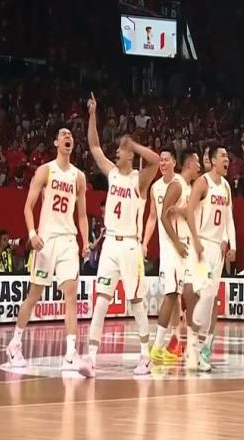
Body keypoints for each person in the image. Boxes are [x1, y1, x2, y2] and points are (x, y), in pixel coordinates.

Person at [79, 93, 159, 378]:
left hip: (131, 246)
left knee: (136, 302)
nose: (117, 151)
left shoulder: (139, 180)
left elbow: (155, 161)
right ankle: (90, 358)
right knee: (101, 300)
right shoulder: (112, 173)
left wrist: (133, 143)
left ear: (130, 155)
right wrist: (92, 114)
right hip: (110, 244)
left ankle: (146, 356)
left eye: (121, 149)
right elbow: (94, 145)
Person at [5, 126, 90, 370]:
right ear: (56, 143)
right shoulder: (46, 170)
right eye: (63, 134)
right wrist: (32, 234)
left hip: (68, 240)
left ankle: (71, 354)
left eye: (70, 135)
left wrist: (85, 241)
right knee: (34, 295)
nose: (68, 137)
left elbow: (82, 215)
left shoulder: (79, 177)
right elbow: (28, 206)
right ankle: (14, 343)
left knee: (71, 294)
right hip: (46, 240)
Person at [185, 144, 236, 371]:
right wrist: (195, 239)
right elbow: (189, 210)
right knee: (201, 293)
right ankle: (194, 345)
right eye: (223, 156)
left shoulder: (226, 186)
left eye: (228, 156)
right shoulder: (203, 183)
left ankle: (203, 348)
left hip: (217, 249)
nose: (227, 160)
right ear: (213, 160)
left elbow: (228, 217)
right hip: (202, 245)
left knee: (212, 298)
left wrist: (232, 243)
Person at [150, 149, 201, 365]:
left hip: (185, 248)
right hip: (174, 248)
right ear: (189, 163)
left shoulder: (189, 187)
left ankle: (187, 344)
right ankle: (157, 347)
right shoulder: (177, 185)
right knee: (171, 295)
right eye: (197, 161)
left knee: (191, 294)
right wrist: (177, 243)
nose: (200, 165)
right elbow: (163, 216)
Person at [143, 148, 185, 358]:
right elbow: (152, 217)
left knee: (174, 293)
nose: (162, 163)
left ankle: (167, 342)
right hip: (165, 246)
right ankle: (176, 340)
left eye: (166, 160)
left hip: (179, 246)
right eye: (160, 160)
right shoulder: (155, 187)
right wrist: (144, 242)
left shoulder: (180, 184)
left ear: (174, 162)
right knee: (173, 293)